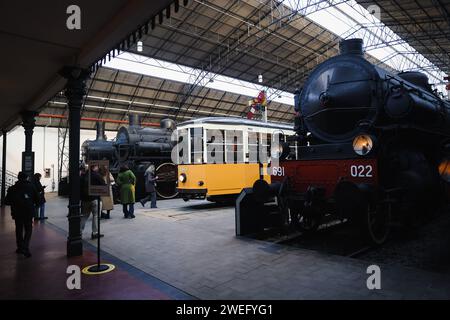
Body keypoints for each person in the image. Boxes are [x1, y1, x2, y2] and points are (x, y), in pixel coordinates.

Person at [5, 172, 39, 258]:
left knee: (18, 229)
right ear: (27, 178)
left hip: (17, 212)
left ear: (18, 178)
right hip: (28, 212)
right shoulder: (31, 187)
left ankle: (20, 247)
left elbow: (6, 201)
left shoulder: (12, 188)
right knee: (28, 229)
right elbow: (38, 199)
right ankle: (25, 247)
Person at [80, 164, 105, 239]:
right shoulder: (97, 175)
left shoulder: (83, 175)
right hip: (95, 199)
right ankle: (95, 233)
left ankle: (79, 232)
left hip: (85, 199)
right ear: (95, 167)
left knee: (84, 216)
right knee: (96, 216)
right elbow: (103, 186)